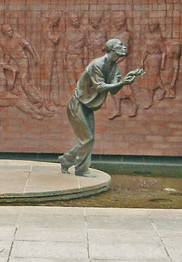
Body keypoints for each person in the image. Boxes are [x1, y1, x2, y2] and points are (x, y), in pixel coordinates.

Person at [59, 39, 143, 176]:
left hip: (87, 106)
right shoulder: (97, 64)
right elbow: (100, 86)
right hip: (77, 103)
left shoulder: (115, 69)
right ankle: (81, 170)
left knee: (88, 139)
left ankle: (66, 160)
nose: (124, 47)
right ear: (112, 49)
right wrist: (121, 82)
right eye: (120, 45)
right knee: (87, 139)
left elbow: (114, 90)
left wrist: (125, 82)